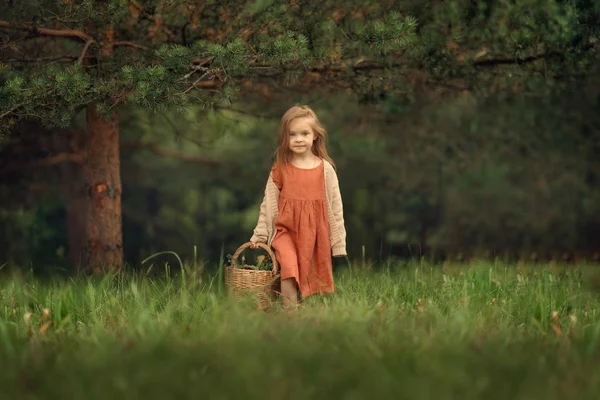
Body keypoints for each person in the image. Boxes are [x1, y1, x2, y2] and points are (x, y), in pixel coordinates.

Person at [249, 105, 347, 309]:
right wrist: (259, 234)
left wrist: (339, 243)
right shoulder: (280, 168)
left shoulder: (325, 170)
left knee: (305, 274)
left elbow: (336, 207)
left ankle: (300, 312)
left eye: (304, 133)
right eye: (292, 134)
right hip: (285, 231)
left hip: (313, 234)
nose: (299, 139)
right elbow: (268, 204)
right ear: (285, 137)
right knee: (289, 267)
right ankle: (290, 312)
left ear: (315, 136)